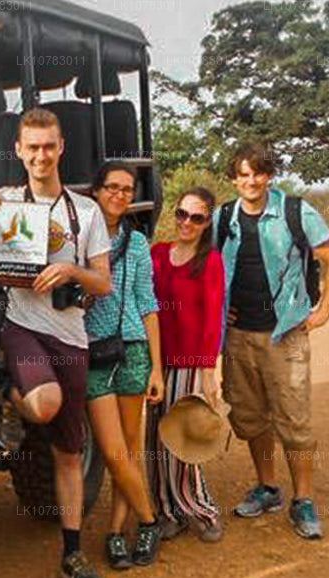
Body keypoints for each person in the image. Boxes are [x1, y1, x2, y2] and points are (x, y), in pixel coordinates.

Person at [0, 107, 114, 578]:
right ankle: (11, 398)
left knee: (69, 453)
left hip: (70, 334)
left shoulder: (86, 211)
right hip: (22, 326)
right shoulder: (5, 201)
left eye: (49, 146)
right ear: (19, 151)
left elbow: (103, 282)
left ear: (61, 148)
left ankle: (72, 552)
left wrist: (71, 272)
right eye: (33, 147)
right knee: (45, 404)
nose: (41, 155)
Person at [216, 144, 329, 540]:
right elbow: (207, 269)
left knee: (294, 420)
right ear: (233, 179)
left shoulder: (295, 211)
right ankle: (268, 487)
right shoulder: (223, 217)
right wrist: (220, 310)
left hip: (285, 334)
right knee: (250, 416)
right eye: (243, 174)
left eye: (258, 173)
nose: (251, 181)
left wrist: (324, 310)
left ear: (269, 175)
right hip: (238, 337)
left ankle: (303, 499)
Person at [82, 160, 165, 570]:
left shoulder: (136, 244)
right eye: (112, 187)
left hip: (132, 349)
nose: (119, 195)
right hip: (94, 352)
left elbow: (147, 304)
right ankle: (150, 521)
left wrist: (156, 368)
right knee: (114, 453)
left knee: (129, 449)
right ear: (96, 191)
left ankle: (116, 532)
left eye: (127, 189)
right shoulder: (79, 239)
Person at [147, 187, 228, 542]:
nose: (187, 223)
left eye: (196, 218)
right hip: (157, 361)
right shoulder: (158, 254)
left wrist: (208, 372)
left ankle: (204, 511)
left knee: (182, 444)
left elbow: (213, 317)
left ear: (207, 222)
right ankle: (168, 512)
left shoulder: (210, 261)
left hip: (190, 362)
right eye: (182, 214)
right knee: (155, 444)